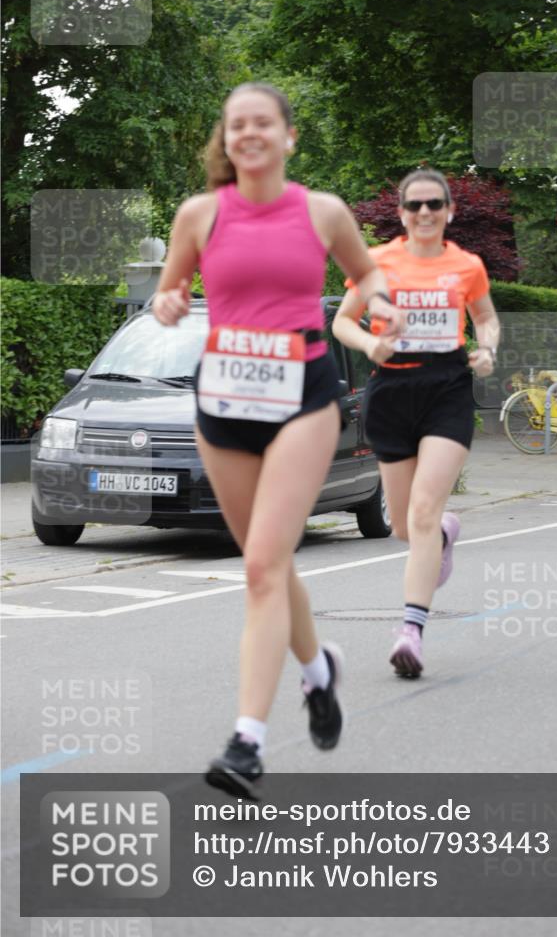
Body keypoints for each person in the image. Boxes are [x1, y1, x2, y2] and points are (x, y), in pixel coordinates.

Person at [152, 82, 403, 798]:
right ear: (225, 141)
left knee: (264, 565)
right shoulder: (198, 215)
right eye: (237, 125)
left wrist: (382, 305)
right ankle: (319, 669)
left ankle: (246, 741)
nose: (250, 133)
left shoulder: (321, 211)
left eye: (263, 123)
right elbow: (170, 296)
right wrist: (170, 302)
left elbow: (366, 275)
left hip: (301, 394)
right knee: (265, 564)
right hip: (224, 397)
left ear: (289, 137)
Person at [333, 168, 500, 679]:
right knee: (406, 527)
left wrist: (487, 347)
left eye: (434, 205)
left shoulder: (466, 265)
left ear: (449, 212)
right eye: (414, 206)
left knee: (424, 511)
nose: (424, 213)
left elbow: (486, 317)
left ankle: (410, 631)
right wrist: (370, 343)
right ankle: (444, 538)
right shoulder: (377, 262)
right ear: (402, 214)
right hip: (391, 391)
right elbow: (342, 321)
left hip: (446, 387)